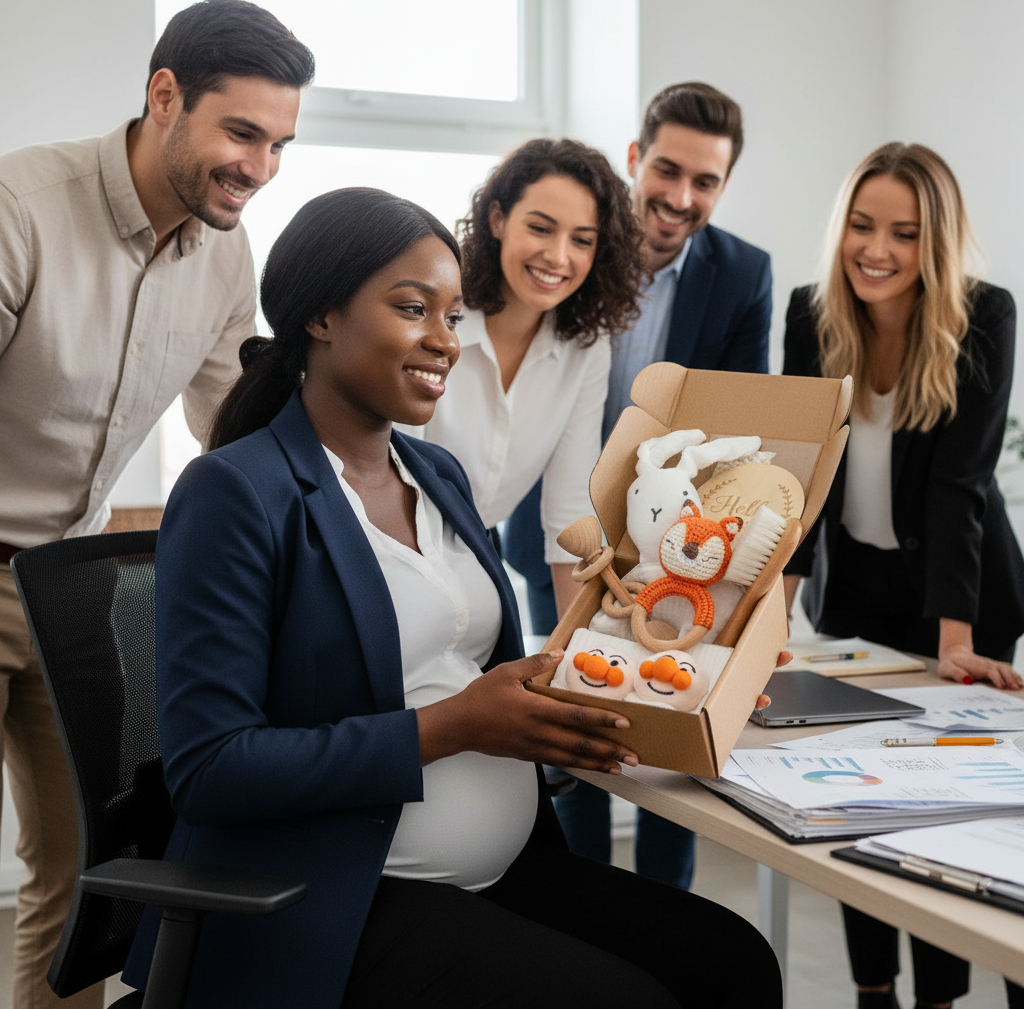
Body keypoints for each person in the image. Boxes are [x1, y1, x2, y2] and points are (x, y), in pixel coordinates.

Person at [120, 187, 783, 1009]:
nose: (445, 340)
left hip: (506, 869)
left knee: (735, 963)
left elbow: (491, 672)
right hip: (336, 896)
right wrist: (452, 727)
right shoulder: (236, 492)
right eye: (413, 308)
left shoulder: (437, 477)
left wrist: (686, 667)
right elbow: (211, 771)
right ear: (322, 316)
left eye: (453, 315)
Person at [0, 0, 313, 1006]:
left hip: (69, 584)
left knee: (86, 884)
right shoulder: (20, 206)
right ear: (163, 94)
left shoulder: (226, 254)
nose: (258, 168)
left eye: (278, 144)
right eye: (241, 133)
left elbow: (233, 429)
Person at [782, 141, 1024, 1009]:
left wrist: (955, 642)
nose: (876, 249)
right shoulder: (812, 314)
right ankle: (876, 991)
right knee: (865, 799)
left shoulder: (983, 315)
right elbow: (798, 474)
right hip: (858, 598)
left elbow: (961, 482)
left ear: (938, 241)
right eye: (862, 225)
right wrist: (771, 619)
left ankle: (944, 995)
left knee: (956, 811)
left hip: (963, 598)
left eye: (905, 233)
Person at [541, 81, 773, 894]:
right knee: (576, 718)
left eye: (704, 182)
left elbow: (736, 430)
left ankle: (662, 914)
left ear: (722, 185)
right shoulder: (580, 247)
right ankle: (584, 903)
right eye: (667, 170)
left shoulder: (744, 273)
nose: (680, 198)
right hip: (560, 524)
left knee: (668, 720)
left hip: (675, 532)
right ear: (637, 158)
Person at [406, 136, 643, 619]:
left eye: (582, 239)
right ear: (497, 220)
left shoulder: (585, 347)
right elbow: (383, 481)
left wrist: (581, 654)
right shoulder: (433, 317)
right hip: (386, 549)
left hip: (473, 555)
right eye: (540, 228)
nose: (558, 257)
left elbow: (570, 513)